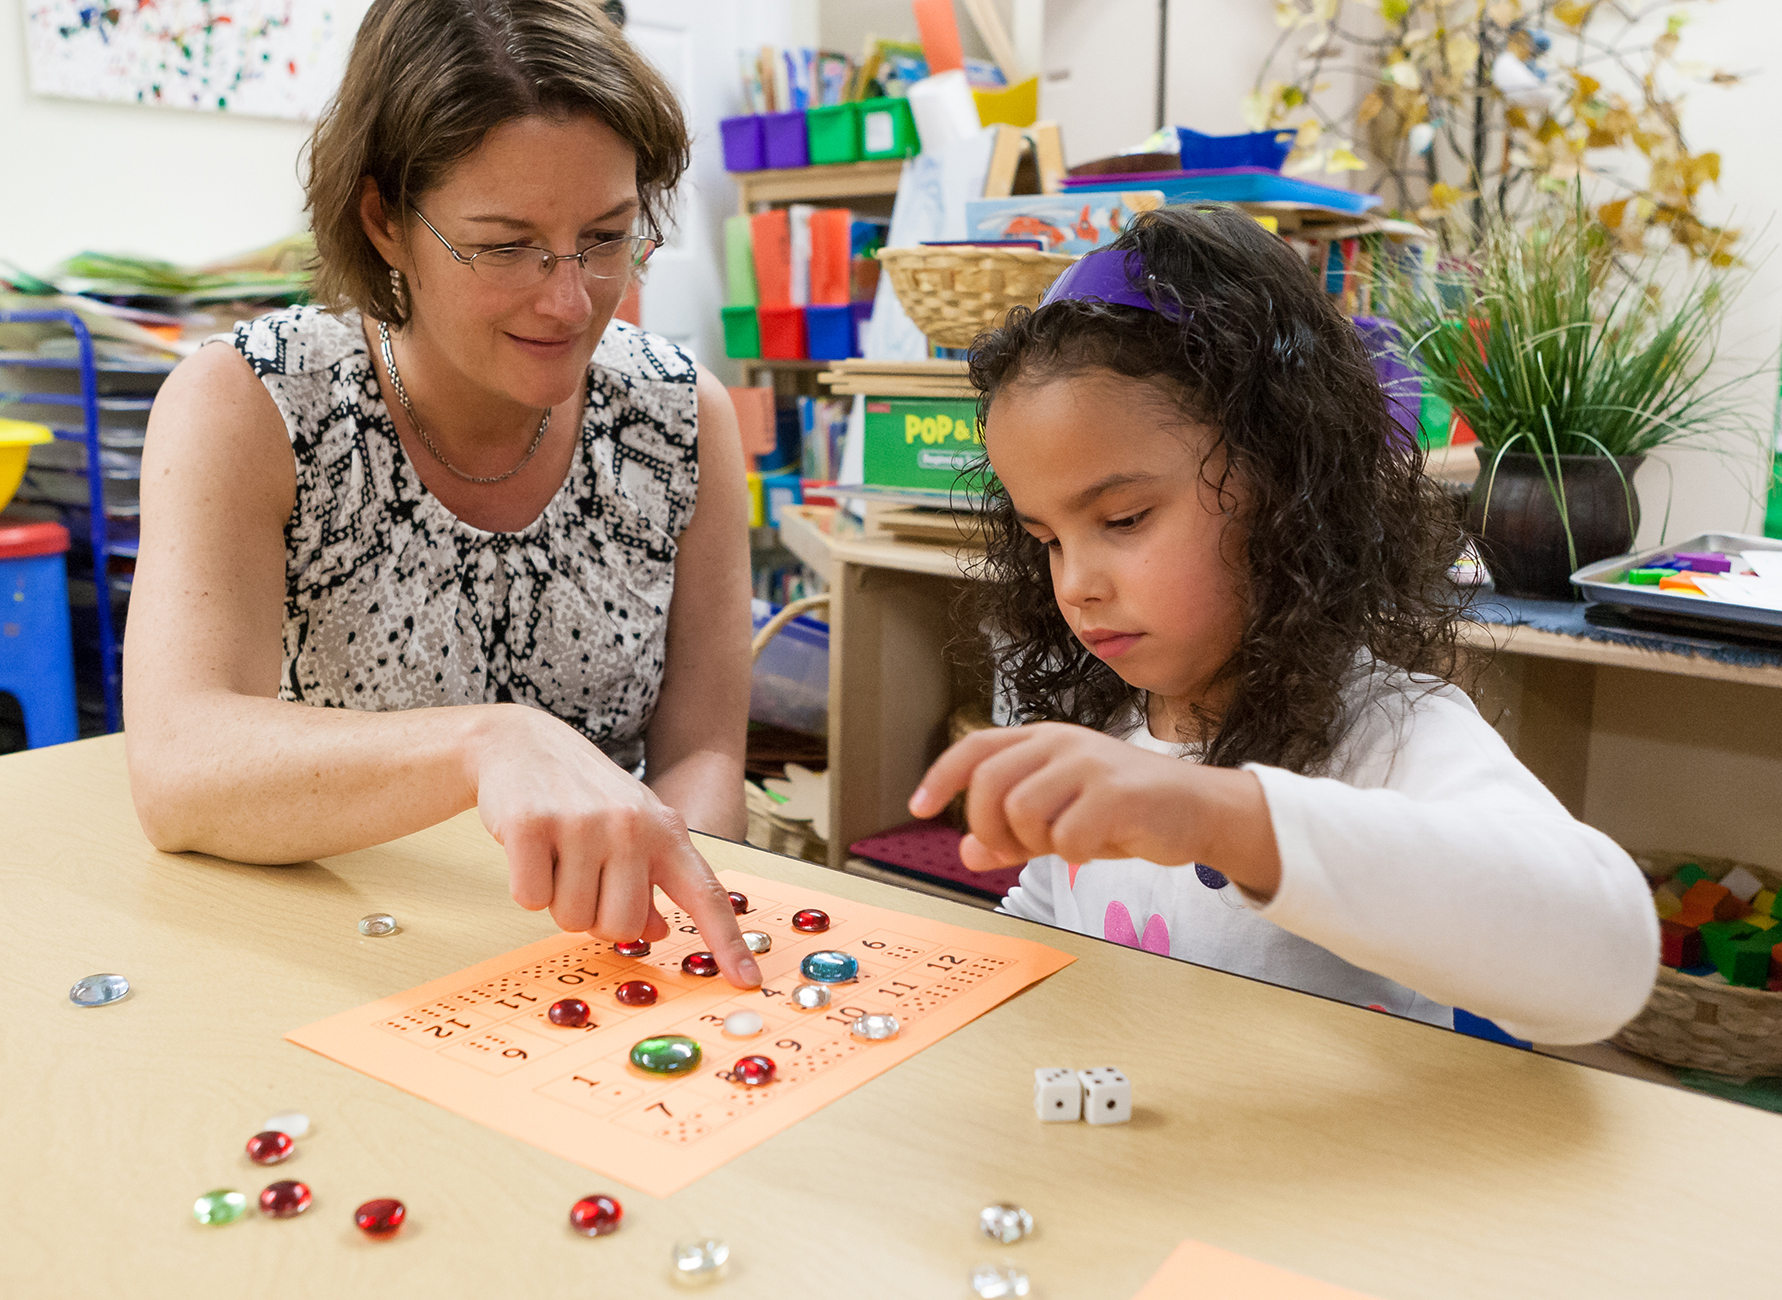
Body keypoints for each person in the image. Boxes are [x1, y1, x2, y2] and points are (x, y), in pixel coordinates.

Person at [125, 0, 760, 986]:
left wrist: (673, 906)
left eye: (606, 236)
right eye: (505, 247)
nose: (568, 297)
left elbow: (707, 753)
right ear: (385, 220)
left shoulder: (680, 418)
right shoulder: (249, 402)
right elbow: (178, 763)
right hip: (327, 952)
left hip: (599, 964)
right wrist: (488, 740)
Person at [909, 207, 1656, 1045]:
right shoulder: (1104, 720)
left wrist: (1217, 815)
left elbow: (1610, 960)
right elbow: (1053, 917)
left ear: (1286, 489)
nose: (1075, 585)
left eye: (1122, 520)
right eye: (1047, 540)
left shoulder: (1387, 731)